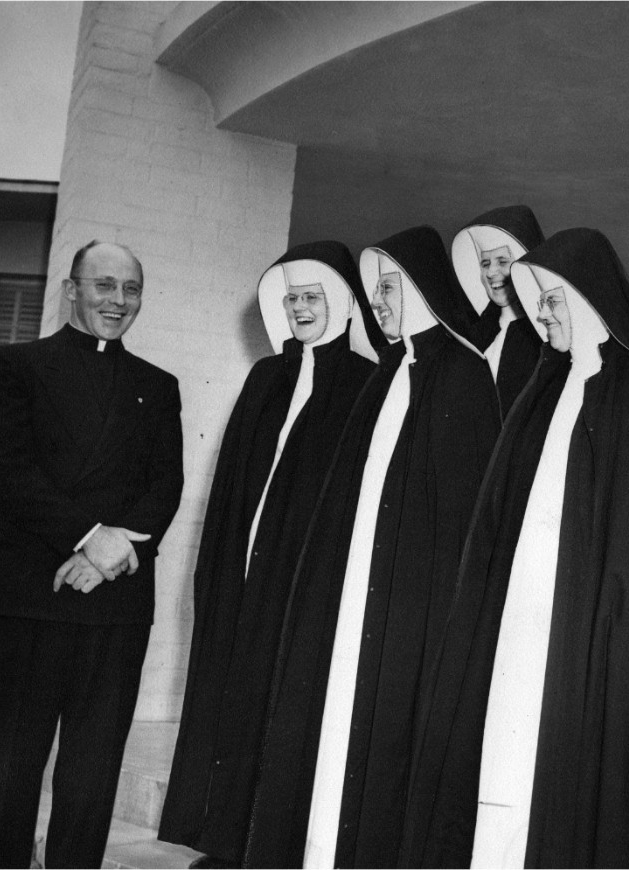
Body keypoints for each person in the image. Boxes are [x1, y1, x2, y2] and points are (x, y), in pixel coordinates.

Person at [400, 228, 629, 868]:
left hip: (586, 636)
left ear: (590, 301)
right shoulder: (547, 386)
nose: (543, 315)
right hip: (521, 625)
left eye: (554, 301)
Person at [237, 226, 500, 869]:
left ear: (423, 289)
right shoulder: (387, 372)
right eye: (374, 291)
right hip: (360, 591)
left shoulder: (464, 375)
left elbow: (462, 522)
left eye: (390, 288)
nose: (377, 302)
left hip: (412, 609)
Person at [158, 242, 384, 868]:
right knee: (233, 705)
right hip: (246, 575)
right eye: (292, 299)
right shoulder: (266, 376)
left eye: (313, 297)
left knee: (285, 712)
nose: (300, 308)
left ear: (341, 304)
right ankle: (224, 844)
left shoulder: (365, 383)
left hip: (303, 585)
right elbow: (234, 482)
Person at [0, 240, 184, 868]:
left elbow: (165, 487)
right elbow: (7, 472)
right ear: (71, 290)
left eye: (131, 289)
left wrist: (104, 556)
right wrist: (88, 536)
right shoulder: (14, 366)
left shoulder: (159, 386)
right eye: (103, 285)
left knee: (92, 774)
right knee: (6, 770)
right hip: (28, 597)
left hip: (115, 605)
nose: (117, 301)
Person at [451, 205, 545, 417]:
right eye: (485, 263)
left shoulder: (540, 339)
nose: (492, 272)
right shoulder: (476, 335)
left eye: (503, 261)